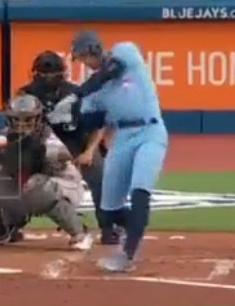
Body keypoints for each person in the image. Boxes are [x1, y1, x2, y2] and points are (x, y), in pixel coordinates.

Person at [51, 33, 168, 273]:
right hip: (122, 138)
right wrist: (70, 112)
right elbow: (90, 121)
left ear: (92, 50)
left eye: (83, 57)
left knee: (139, 191)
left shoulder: (125, 52)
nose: (85, 63)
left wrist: (78, 94)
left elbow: (111, 70)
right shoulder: (95, 92)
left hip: (150, 131)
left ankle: (128, 254)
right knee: (109, 210)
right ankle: (136, 225)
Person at [0, 95, 94, 250]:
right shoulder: (4, 138)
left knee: (36, 184)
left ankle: (79, 232)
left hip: (63, 186)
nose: (22, 124)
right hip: (22, 190)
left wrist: (36, 152)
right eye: (17, 119)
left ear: (38, 118)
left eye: (28, 119)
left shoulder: (46, 136)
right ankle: (2, 233)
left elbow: (63, 156)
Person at [17, 50, 115, 244]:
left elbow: (98, 123)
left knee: (99, 174)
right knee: (14, 174)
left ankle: (109, 227)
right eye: (42, 75)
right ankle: (11, 224)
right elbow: (16, 127)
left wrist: (89, 151)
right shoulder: (24, 95)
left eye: (50, 75)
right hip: (42, 148)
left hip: (77, 144)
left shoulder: (76, 94)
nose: (46, 79)